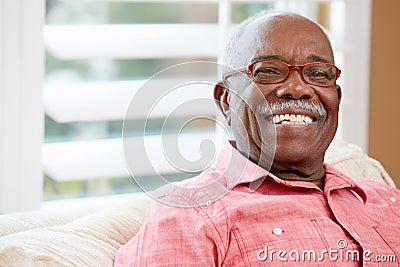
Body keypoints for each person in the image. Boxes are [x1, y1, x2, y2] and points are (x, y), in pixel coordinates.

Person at [114, 12, 400, 266]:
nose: (298, 89)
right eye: (269, 71)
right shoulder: (188, 216)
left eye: (317, 74)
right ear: (226, 100)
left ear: (336, 98)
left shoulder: (388, 199)